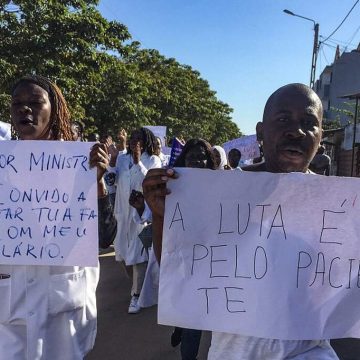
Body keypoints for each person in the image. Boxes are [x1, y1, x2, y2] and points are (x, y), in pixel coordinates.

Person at [142, 83, 339, 359]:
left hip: (309, 352)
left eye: (309, 123)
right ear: (260, 132)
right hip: (235, 352)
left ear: (320, 137)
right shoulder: (221, 194)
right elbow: (178, 269)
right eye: (283, 120)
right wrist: (163, 218)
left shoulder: (337, 208)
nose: (296, 131)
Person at [2, 75, 116, 360]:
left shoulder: (80, 163)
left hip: (63, 305)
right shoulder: (3, 162)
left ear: (54, 109)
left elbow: (105, 238)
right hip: (9, 303)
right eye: (17, 104)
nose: (24, 110)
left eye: (35, 102)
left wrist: (97, 183)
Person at [111, 127, 161, 314]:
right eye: (132, 138)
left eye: (139, 138)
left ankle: (136, 295)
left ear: (146, 141)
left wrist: (138, 162)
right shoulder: (122, 159)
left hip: (142, 214)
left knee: (138, 257)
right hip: (122, 215)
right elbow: (113, 181)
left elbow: (150, 180)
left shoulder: (153, 159)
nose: (134, 141)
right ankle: (138, 286)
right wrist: (111, 165)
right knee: (123, 256)